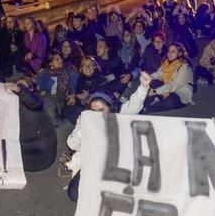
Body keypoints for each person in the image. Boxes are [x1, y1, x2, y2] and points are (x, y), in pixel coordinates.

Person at [64, 72, 152, 202]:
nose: (97, 115)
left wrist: (143, 87)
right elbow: (72, 144)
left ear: (110, 108)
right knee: (74, 194)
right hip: (92, 163)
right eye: (94, 111)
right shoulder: (85, 119)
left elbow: (134, 104)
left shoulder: (119, 117)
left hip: (116, 163)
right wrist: (84, 126)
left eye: (101, 110)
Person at [3, 77, 57, 172]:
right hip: (28, 151)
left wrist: (19, 90)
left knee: (1, 154)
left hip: (42, 155)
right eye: (17, 85)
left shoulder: (37, 104)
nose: (18, 87)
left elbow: (34, 102)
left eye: (23, 86)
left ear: (31, 90)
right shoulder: (13, 105)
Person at [144, 43, 193, 113]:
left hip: (179, 93)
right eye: (169, 51)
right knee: (153, 82)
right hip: (166, 89)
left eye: (173, 52)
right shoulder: (166, 63)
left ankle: (147, 109)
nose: (169, 54)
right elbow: (158, 74)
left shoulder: (184, 67)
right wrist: (148, 78)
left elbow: (173, 85)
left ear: (179, 53)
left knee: (170, 102)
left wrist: (155, 91)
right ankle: (142, 104)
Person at [36, 50, 79, 125]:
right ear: (50, 63)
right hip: (48, 98)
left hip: (62, 98)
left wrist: (73, 94)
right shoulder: (44, 74)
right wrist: (42, 91)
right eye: (56, 59)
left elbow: (75, 82)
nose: (60, 61)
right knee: (48, 102)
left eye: (60, 58)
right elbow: (39, 89)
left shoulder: (68, 72)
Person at [61, 57, 108, 124]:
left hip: (98, 112)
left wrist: (89, 97)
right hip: (84, 110)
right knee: (66, 110)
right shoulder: (80, 80)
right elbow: (78, 97)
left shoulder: (101, 79)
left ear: (95, 67)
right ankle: (84, 127)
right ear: (81, 68)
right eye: (84, 65)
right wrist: (75, 98)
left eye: (90, 65)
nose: (87, 67)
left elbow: (104, 99)